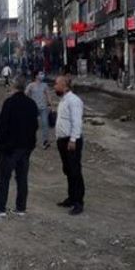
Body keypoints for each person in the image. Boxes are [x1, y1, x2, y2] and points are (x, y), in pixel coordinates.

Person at [0, 77, 38, 217]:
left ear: (14, 87)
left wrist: (2, 145)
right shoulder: (32, 104)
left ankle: (1, 208)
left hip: (10, 149)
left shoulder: (9, 103)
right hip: (25, 148)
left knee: (4, 178)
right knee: (22, 178)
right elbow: (35, 126)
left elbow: (2, 127)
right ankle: (21, 208)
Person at [54, 75, 85, 215]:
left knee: (75, 171)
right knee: (68, 170)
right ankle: (71, 198)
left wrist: (73, 139)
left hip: (71, 141)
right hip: (63, 140)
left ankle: (79, 202)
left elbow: (77, 122)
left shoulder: (74, 101)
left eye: (56, 84)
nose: (55, 86)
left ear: (65, 86)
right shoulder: (63, 100)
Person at [26, 70, 53, 149]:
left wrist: (50, 105)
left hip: (43, 108)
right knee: (32, 125)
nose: (42, 75)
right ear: (36, 76)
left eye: (42, 74)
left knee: (45, 124)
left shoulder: (45, 85)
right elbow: (26, 94)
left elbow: (48, 95)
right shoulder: (31, 85)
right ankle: (31, 141)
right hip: (33, 108)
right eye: (41, 74)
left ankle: (45, 141)